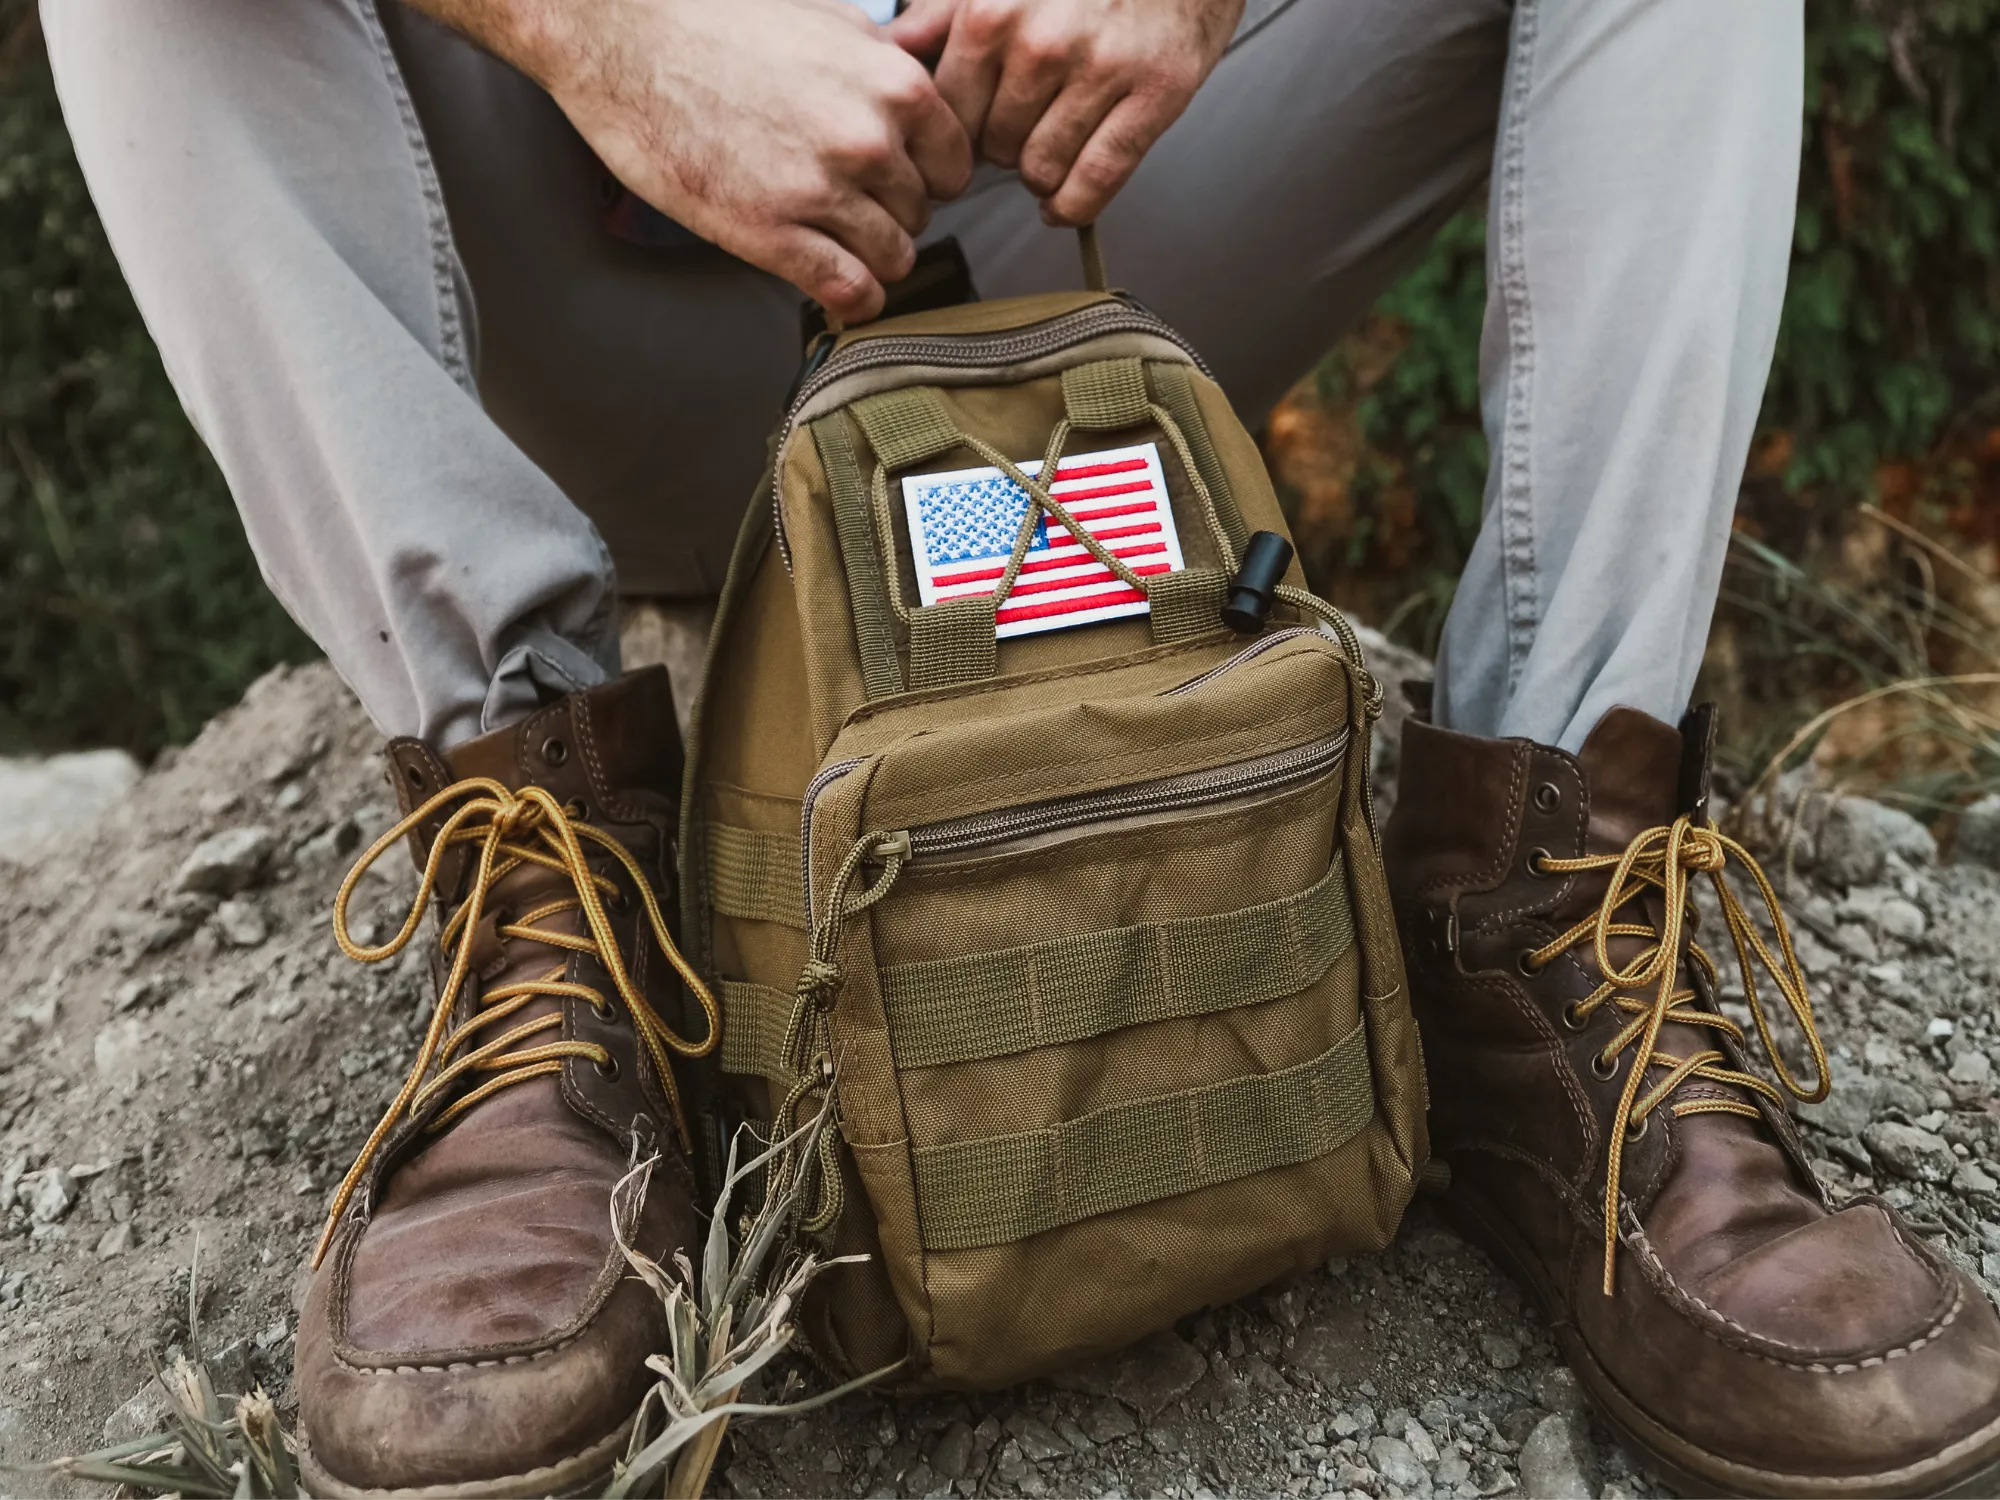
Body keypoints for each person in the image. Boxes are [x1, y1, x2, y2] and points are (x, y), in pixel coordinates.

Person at [41, 0, 2000, 1494]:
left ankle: (1538, 900)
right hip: (588, 263)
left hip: (1080, 235)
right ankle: (556, 893)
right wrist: (610, 40)